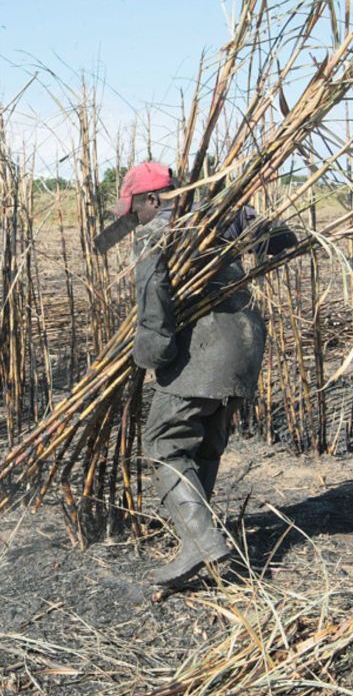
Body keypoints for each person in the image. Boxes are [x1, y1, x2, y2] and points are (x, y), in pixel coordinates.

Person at [115, 161, 297, 587]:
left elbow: (154, 307)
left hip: (208, 347)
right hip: (247, 342)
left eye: (134, 209)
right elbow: (284, 238)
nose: (133, 220)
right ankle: (203, 543)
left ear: (152, 200)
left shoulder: (154, 233)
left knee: (165, 442)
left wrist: (153, 357)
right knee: (205, 445)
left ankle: (202, 546)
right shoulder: (215, 216)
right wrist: (237, 214)